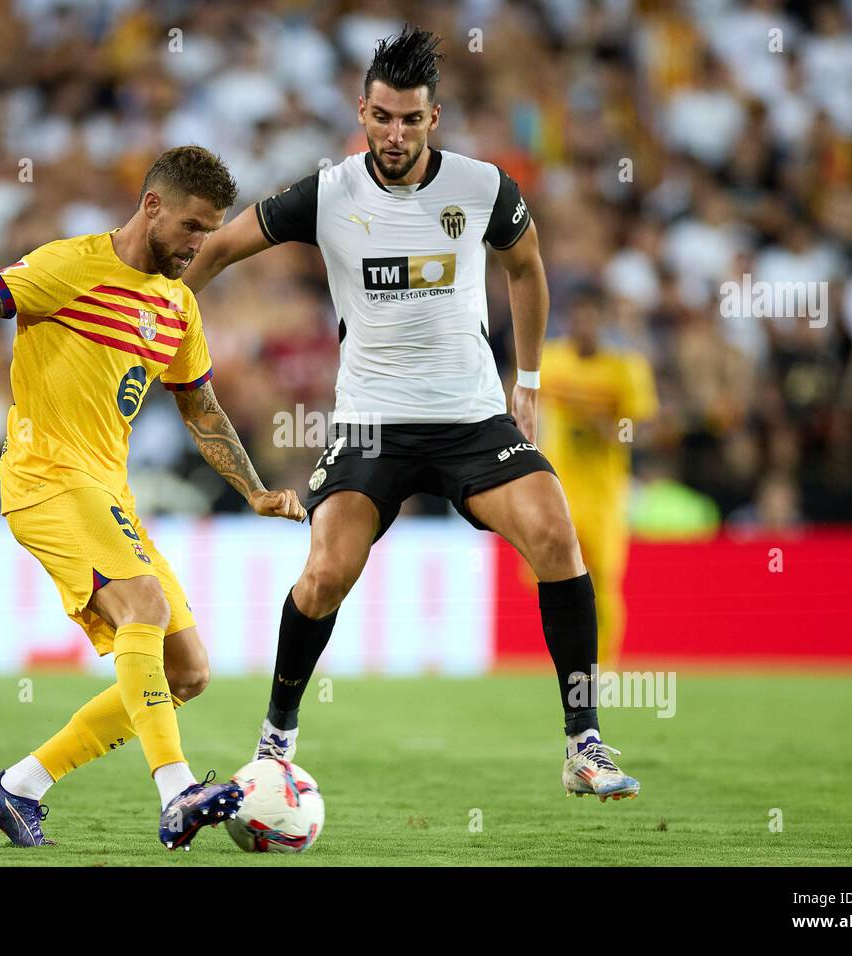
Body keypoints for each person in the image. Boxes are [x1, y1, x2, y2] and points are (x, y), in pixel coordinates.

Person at [187, 27, 639, 802]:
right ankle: (276, 741)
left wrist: (526, 378)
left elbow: (525, 266)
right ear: (361, 112)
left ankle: (583, 743)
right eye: (382, 117)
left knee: (558, 535)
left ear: (437, 118)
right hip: (371, 424)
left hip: (472, 420)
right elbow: (220, 248)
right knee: (326, 572)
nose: (395, 135)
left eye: (411, 120)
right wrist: (150, 308)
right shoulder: (327, 194)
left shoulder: (482, 187)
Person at [0, 145, 305, 850]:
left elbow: (201, 411)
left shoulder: (177, 306)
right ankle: (177, 791)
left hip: (108, 492)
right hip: (45, 480)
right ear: (152, 206)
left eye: (209, 231)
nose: (197, 245)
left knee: (188, 670)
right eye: (190, 226)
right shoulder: (69, 265)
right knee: (142, 605)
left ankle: (18, 787)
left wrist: (257, 491)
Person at [537, 287, 658, 665]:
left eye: (591, 318)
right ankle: (569, 658)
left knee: (603, 581)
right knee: (548, 575)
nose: (583, 325)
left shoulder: (625, 369)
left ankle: (602, 666)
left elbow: (646, 429)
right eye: (577, 316)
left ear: (602, 322)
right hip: (557, 487)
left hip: (604, 494)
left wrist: (610, 430)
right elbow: (523, 405)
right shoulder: (550, 361)